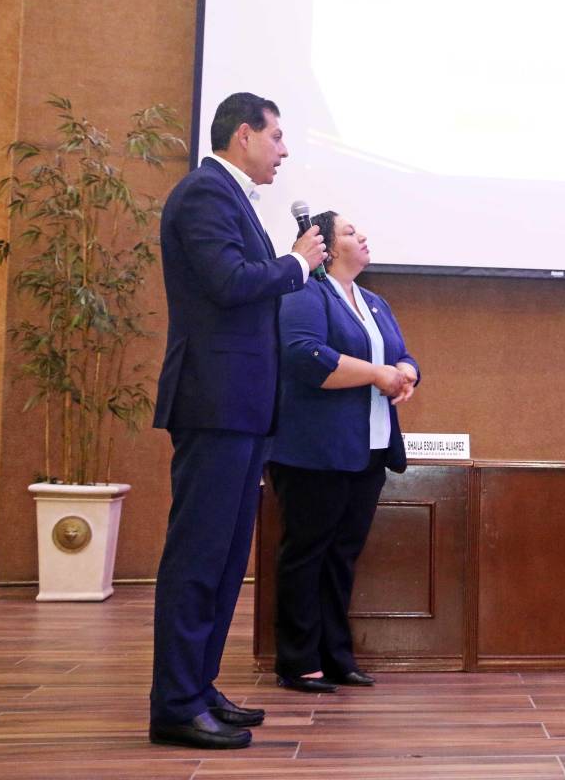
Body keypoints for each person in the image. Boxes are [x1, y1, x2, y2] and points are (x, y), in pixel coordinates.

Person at [149, 93, 327, 749]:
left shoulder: (229, 200)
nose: (283, 151)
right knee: (198, 555)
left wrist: (285, 264)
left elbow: (241, 281)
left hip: (242, 407)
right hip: (215, 403)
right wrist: (297, 265)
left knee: (225, 561)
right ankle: (173, 704)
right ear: (244, 134)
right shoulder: (203, 195)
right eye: (276, 136)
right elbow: (227, 281)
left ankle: (197, 688)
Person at [267, 210, 420, 693]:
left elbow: (402, 354)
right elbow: (304, 354)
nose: (364, 236)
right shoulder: (305, 293)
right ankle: (297, 660)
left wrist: (406, 371)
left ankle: (336, 656)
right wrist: (377, 375)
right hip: (314, 450)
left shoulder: (374, 301)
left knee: (342, 557)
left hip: (369, 450)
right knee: (306, 554)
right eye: (351, 232)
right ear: (326, 248)